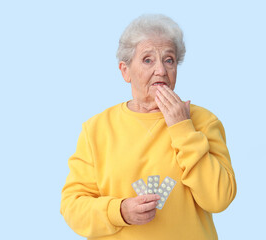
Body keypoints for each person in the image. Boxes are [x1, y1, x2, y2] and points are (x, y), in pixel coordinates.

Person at [60, 14, 236, 240]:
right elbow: (72, 207)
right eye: (147, 60)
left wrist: (182, 128)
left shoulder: (203, 121)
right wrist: (119, 211)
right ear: (125, 71)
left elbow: (219, 198)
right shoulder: (96, 129)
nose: (161, 70)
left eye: (169, 60)